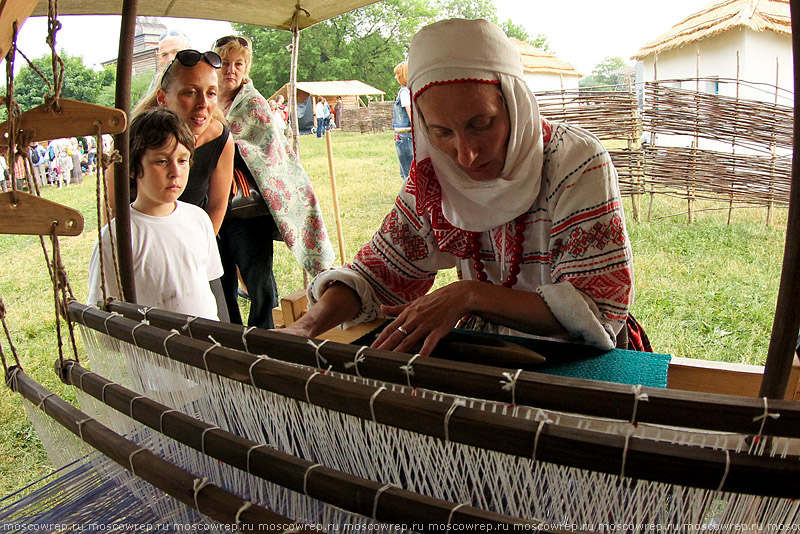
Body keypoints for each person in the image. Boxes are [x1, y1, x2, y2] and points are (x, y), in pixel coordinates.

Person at [283, 18, 646, 357]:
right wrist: (304, 327)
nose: (466, 155)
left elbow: (598, 309)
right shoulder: (436, 175)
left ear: (515, 105)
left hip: (579, 356)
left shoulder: (575, 162)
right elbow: (378, 271)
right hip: (489, 351)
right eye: (442, 132)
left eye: (482, 124)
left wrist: (470, 294)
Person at [213, 34, 334, 328]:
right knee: (221, 275)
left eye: (238, 64)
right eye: (226, 63)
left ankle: (263, 333)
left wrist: (224, 144)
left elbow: (269, 153)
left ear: (247, 67)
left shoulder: (253, 104)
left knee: (257, 275)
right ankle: (231, 335)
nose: (231, 70)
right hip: (212, 205)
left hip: (247, 208)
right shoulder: (206, 99)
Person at [87, 109, 223, 320]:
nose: (175, 172)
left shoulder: (199, 219)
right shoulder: (116, 238)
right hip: (155, 351)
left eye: (182, 160)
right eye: (161, 161)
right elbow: (102, 315)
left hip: (206, 346)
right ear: (132, 168)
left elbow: (209, 285)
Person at [134, 48, 234, 322]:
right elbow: (112, 204)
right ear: (163, 98)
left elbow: (216, 204)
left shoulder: (221, 139)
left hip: (195, 241)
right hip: (149, 247)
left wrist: (194, 251)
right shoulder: (136, 140)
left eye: (211, 93)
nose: (203, 104)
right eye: (190, 92)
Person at [146, 29, 192, 94]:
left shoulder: (203, 75)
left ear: (189, 51)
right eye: (164, 55)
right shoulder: (157, 82)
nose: (170, 59)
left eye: (176, 52)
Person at [392, 61, 413, 181]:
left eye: (397, 74)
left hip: (405, 135)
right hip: (405, 135)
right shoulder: (409, 91)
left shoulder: (404, 92)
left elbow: (410, 113)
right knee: (405, 173)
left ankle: (412, 198)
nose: (396, 77)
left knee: (408, 175)